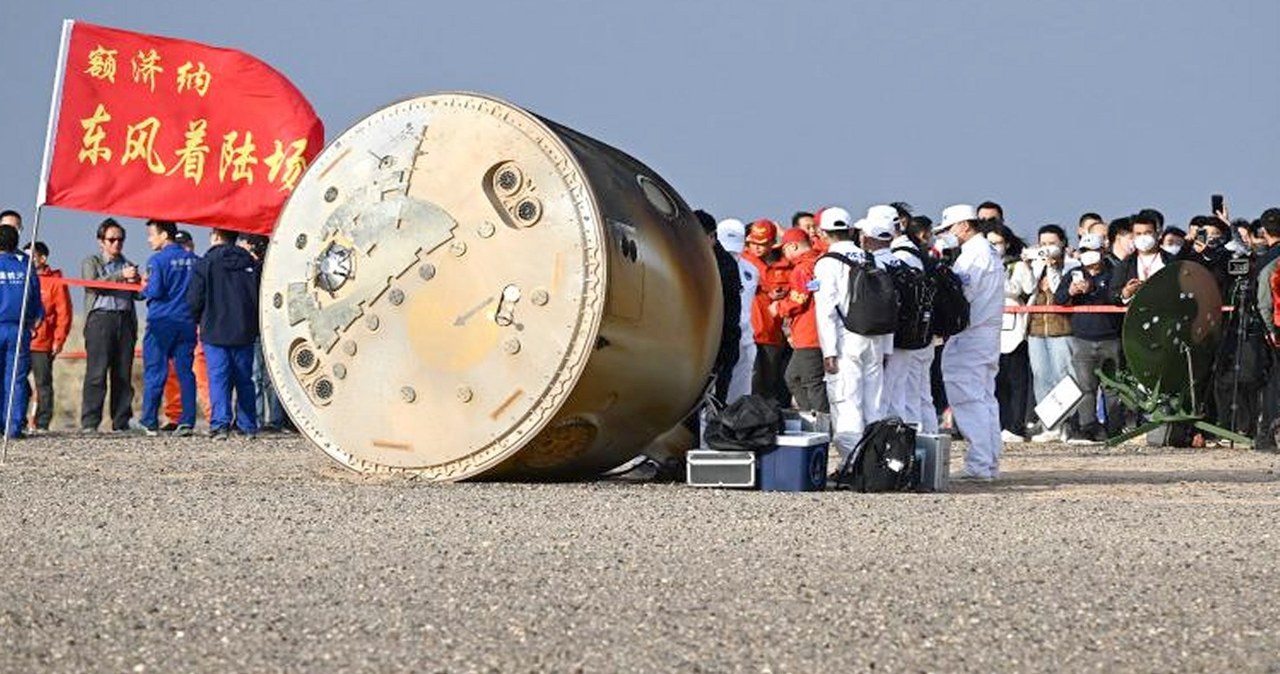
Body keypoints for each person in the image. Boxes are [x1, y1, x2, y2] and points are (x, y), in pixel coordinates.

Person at [933, 204, 1005, 480]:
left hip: (972, 334)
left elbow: (962, 297)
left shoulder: (974, 255)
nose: (948, 234)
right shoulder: (986, 251)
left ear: (964, 226)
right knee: (985, 397)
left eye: (950, 228)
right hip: (985, 333)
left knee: (968, 397)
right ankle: (988, 461)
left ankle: (979, 464)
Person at [813, 207, 889, 458]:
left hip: (846, 341)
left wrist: (829, 351)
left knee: (847, 403)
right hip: (876, 339)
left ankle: (853, 465)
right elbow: (888, 303)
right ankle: (877, 462)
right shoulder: (871, 258)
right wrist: (887, 347)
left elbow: (826, 311)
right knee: (874, 404)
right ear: (851, 230)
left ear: (823, 233)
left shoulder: (826, 264)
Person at [188, 228, 261, 439]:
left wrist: (197, 319)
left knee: (218, 378)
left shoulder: (205, 264)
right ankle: (247, 425)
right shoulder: (250, 263)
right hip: (244, 330)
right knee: (244, 379)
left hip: (214, 330)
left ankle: (220, 424)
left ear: (216, 237)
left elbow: (195, 298)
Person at [1055, 233, 1123, 443]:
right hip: (1082, 338)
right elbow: (1059, 299)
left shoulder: (1114, 272)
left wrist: (1093, 288)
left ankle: (1114, 429)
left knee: (1112, 388)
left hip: (1111, 338)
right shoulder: (1074, 273)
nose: (1088, 256)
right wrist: (1071, 291)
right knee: (1086, 387)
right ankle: (1089, 428)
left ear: (1103, 251)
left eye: (1092, 251)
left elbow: (1115, 298)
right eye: (1083, 251)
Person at [80, 218, 142, 433]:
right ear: (101, 241)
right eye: (112, 239)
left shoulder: (128, 264)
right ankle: (90, 422)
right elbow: (93, 284)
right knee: (96, 373)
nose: (117, 244)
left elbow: (139, 295)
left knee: (122, 373)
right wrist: (120, 276)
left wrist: (138, 282)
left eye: (120, 240)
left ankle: (121, 421)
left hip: (124, 320)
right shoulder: (92, 261)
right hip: (101, 319)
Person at [138, 220, 199, 436]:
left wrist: (141, 289)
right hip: (187, 323)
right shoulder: (195, 261)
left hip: (161, 322)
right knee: (185, 372)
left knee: (156, 371)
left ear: (164, 235)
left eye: (151, 234)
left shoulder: (157, 260)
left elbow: (155, 291)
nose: (149, 239)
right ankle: (188, 420)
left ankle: (149, 420)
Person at [1022, 225, 1077, 442]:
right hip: (1036, 329)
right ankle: (1049, 424)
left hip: (1062, 329)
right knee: (1041, 377)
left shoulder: (1072, 265)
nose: (1047, 248)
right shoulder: (1036, 266)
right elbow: (1027, 289)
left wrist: (1054, 267)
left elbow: (1059, 291)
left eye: (1052, 243)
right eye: (1042, 244)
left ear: (1062, 243)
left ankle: (1067, 423)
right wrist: (1028, 266)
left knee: (1063, 376)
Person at [886, 222, 938, 434]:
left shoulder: (900, 256)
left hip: (908, 336)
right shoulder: (918, 254)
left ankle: (913, 445)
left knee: (907, 395)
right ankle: (928, 440)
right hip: (923, 333)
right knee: (921, 394)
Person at [988, 223, 1033, 443]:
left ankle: (1016, 425)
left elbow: (1023, 290)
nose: (994, 247)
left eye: (997, 243)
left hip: (1014, 331)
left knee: (1016, 382)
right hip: (991, 332)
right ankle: (999, 423)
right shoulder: (982, 265)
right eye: (990, 243)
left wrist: (999, 277)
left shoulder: (1017, 266)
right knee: (997, 383)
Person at [162, 229, 210, 429]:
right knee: (173, 373)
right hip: (177, 323)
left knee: (202, 373)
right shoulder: (169, 266)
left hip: (197, 325)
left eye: (186, 245)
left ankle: (212, 416)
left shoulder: (201, 265)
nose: (184, 249)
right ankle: (174, 416)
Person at [742, 219, 792, 407]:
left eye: (762, 244)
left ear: (773, 243)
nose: (756, 247)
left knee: (770, 385)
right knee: (751, 384)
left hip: (774, 335)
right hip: (750, 333)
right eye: (753, 242)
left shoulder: (786, 266)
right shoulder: (742, 261)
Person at [774, 227, 825, 412]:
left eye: (784, 249)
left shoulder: (802, 269)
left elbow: (799, 300)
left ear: (792, 246)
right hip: (816, 332)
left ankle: (821, 424)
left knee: (812, 382)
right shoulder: (820, 261)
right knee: (793, 377)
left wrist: (778, 307)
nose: (784, 254)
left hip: (809, 335)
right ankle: (811, 416)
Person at [0, 227, 43, 439]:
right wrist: (35, 320)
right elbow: (36, 299)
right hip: (19, 328)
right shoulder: (25, 266)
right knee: (16, 379)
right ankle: (13, 428)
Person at [25, 242, 72, 434]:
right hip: (21, 341)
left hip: (43, 343)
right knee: (16, 380)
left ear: (42, 258)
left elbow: (64, 313)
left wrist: (58, 340)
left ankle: (43, 422)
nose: (27, 260)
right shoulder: (23, 278)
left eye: (32, 256)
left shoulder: (55, 282)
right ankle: (17, 417)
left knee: (43, 383)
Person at [713, 218, 756, 403]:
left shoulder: (752, 271)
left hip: (744, 338)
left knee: (740, 395)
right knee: (714, 392)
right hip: (717, 338)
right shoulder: (708, 268)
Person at [1112, 212, 1173, 305]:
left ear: (1157, 233)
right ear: (1133, 236)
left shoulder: (1171, 261)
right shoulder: (1125, 264)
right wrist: (1126, 293)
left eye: (1148, 233)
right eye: (1138, 234)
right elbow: (1112, 295)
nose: (1143, 237)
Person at [1259, 208, 1280, 451]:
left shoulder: (1268, 262)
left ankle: (1268, 435)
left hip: (1276, 329)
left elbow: (1264, 303)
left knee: (1274, 383)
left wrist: (1269, 331)